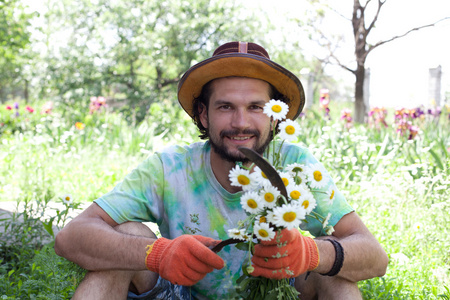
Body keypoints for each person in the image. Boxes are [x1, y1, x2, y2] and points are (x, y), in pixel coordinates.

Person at [55, 41, 388, 299]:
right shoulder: (169, 168)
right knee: (129, 236)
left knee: (337, 273)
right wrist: (158, 253)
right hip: (178, 294)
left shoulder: (296, 167)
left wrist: (312, 253)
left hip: (277, 294)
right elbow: (71, 238)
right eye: (225, 106)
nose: (240, 122)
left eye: (256, 107)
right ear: (203, 115)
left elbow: (375, 257)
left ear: (275, 116)